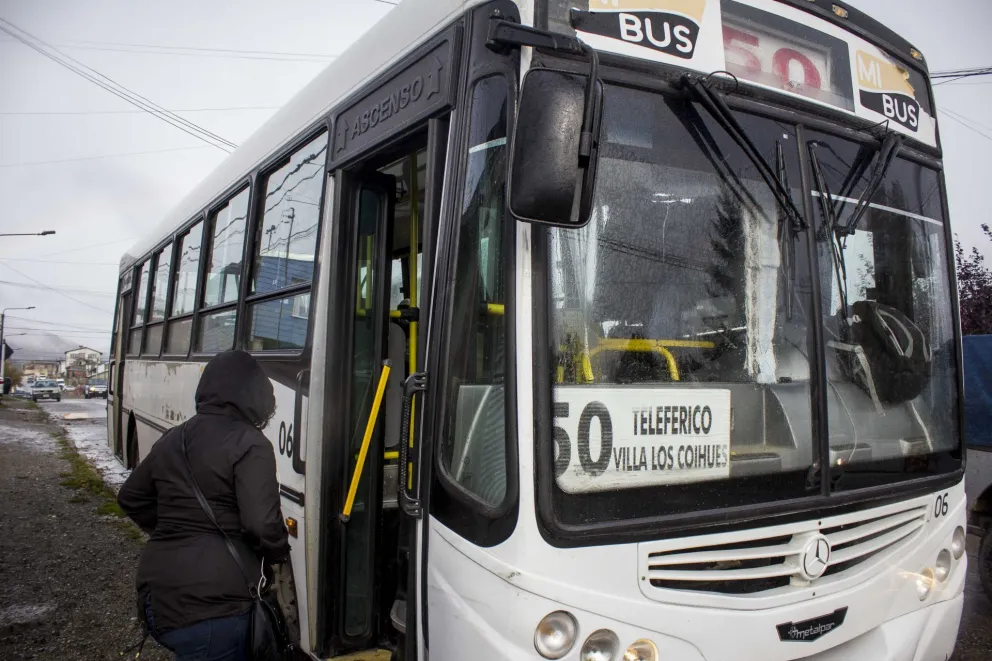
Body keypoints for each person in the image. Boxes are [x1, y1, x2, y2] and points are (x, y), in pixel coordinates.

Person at [118, 350, 289, 661]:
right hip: (213, 611)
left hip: (157, 601)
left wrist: (174, 528)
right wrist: (278, 553)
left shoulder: (174, 437)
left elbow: (131, 497)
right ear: (256, 394)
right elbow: (261, 525)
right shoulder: (251, 443)